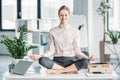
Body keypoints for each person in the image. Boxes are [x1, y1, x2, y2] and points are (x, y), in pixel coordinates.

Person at [31, 5, 95, 74]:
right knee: (42, 60)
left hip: (71, 60)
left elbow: (77, 51)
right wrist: (40, 56)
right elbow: (51, 51)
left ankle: (58, 71)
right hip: (57, 62)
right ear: (58, 15)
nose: (63, 17)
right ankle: (70, 71)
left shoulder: (75, 31)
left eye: (66, 15)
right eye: (61, 15)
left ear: (69, 15)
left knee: (86, 62)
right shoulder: (52, 31)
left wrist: (88, 58)